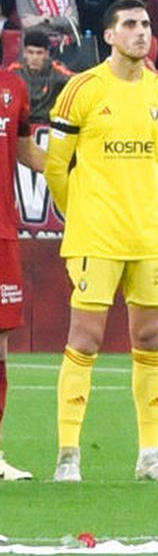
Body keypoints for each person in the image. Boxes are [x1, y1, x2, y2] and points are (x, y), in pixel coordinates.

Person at [44, 0, 158, 484]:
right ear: (108, 35)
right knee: (85, 339)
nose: (140, 32)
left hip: (149, 235)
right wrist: (79, 212)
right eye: (129, 24)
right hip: (96, 235)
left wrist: (148, 205)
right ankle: (68, 454)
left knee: (150, 339)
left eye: (146, 24)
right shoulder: (81, 89)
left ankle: (150, 454)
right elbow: (56, 167)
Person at [0, 48, 46, 477]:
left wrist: (76, 163)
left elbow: (26, 152)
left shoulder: (14, 89)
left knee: (0, 344)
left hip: (2, 232)